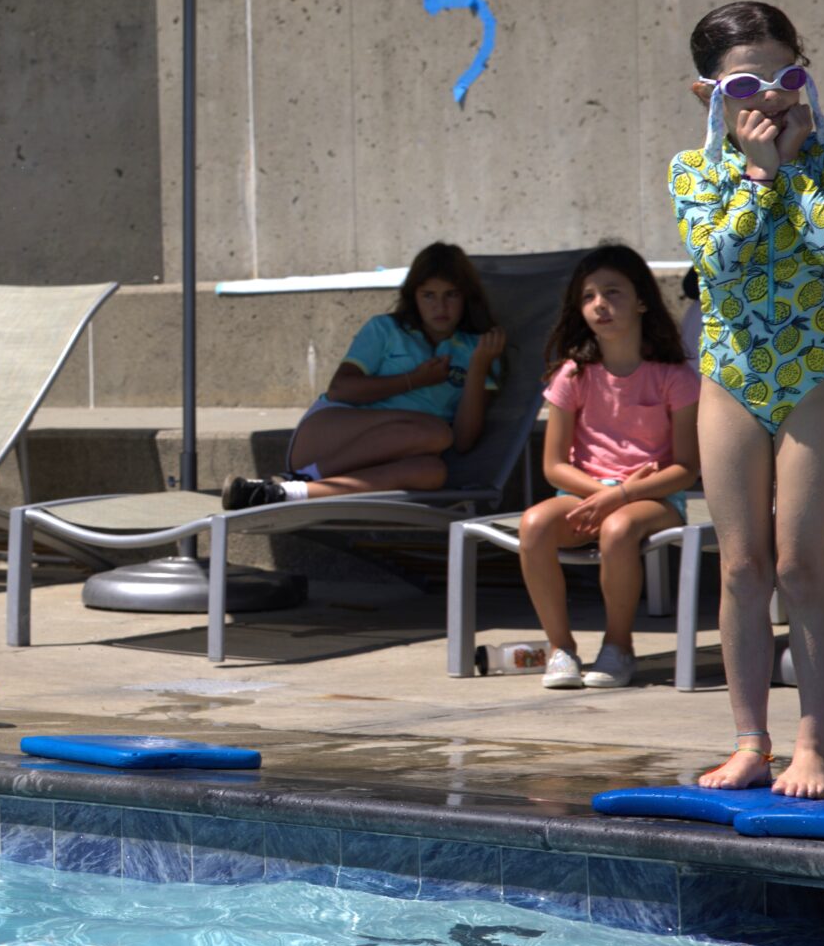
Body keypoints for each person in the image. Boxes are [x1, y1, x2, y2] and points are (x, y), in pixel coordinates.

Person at [670, 0, 824, 797]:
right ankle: (751, 740)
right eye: (749, 82)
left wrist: (792, 162)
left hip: (813, 377)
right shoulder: (695, 171)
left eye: (787, 75)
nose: (772, 95)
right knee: (744, 568)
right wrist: (756, 175)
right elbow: (715, 260)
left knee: (799, 562)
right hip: (733, 381)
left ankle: (813, 744)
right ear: (709, 94)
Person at [516, 243, 701, 690]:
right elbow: (554, 465)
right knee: (534, 523)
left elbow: (686, 469)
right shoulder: (573, 375)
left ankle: (618, 647)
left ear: (641, 300)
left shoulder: (675, 378)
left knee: (618, 528)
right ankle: (561, 649)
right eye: (589, 296)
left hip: (651, 498)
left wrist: (620, 495)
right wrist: (601, 493)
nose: (600, 305)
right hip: (585, 493)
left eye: (613, 292)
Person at [224, 242, 506, 509]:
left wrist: (479, 366)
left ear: (466, 296)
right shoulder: (386, 329)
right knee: (435, 432)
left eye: (451, 295)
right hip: (328, 438)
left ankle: (286, 492)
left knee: (433, 472)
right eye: (429, 295)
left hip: (401, 452)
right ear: (413, 296)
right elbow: (339, 390)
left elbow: (464, 441)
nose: (440, 307)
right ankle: (305, 475)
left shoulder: (479, 349)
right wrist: (415, 380)